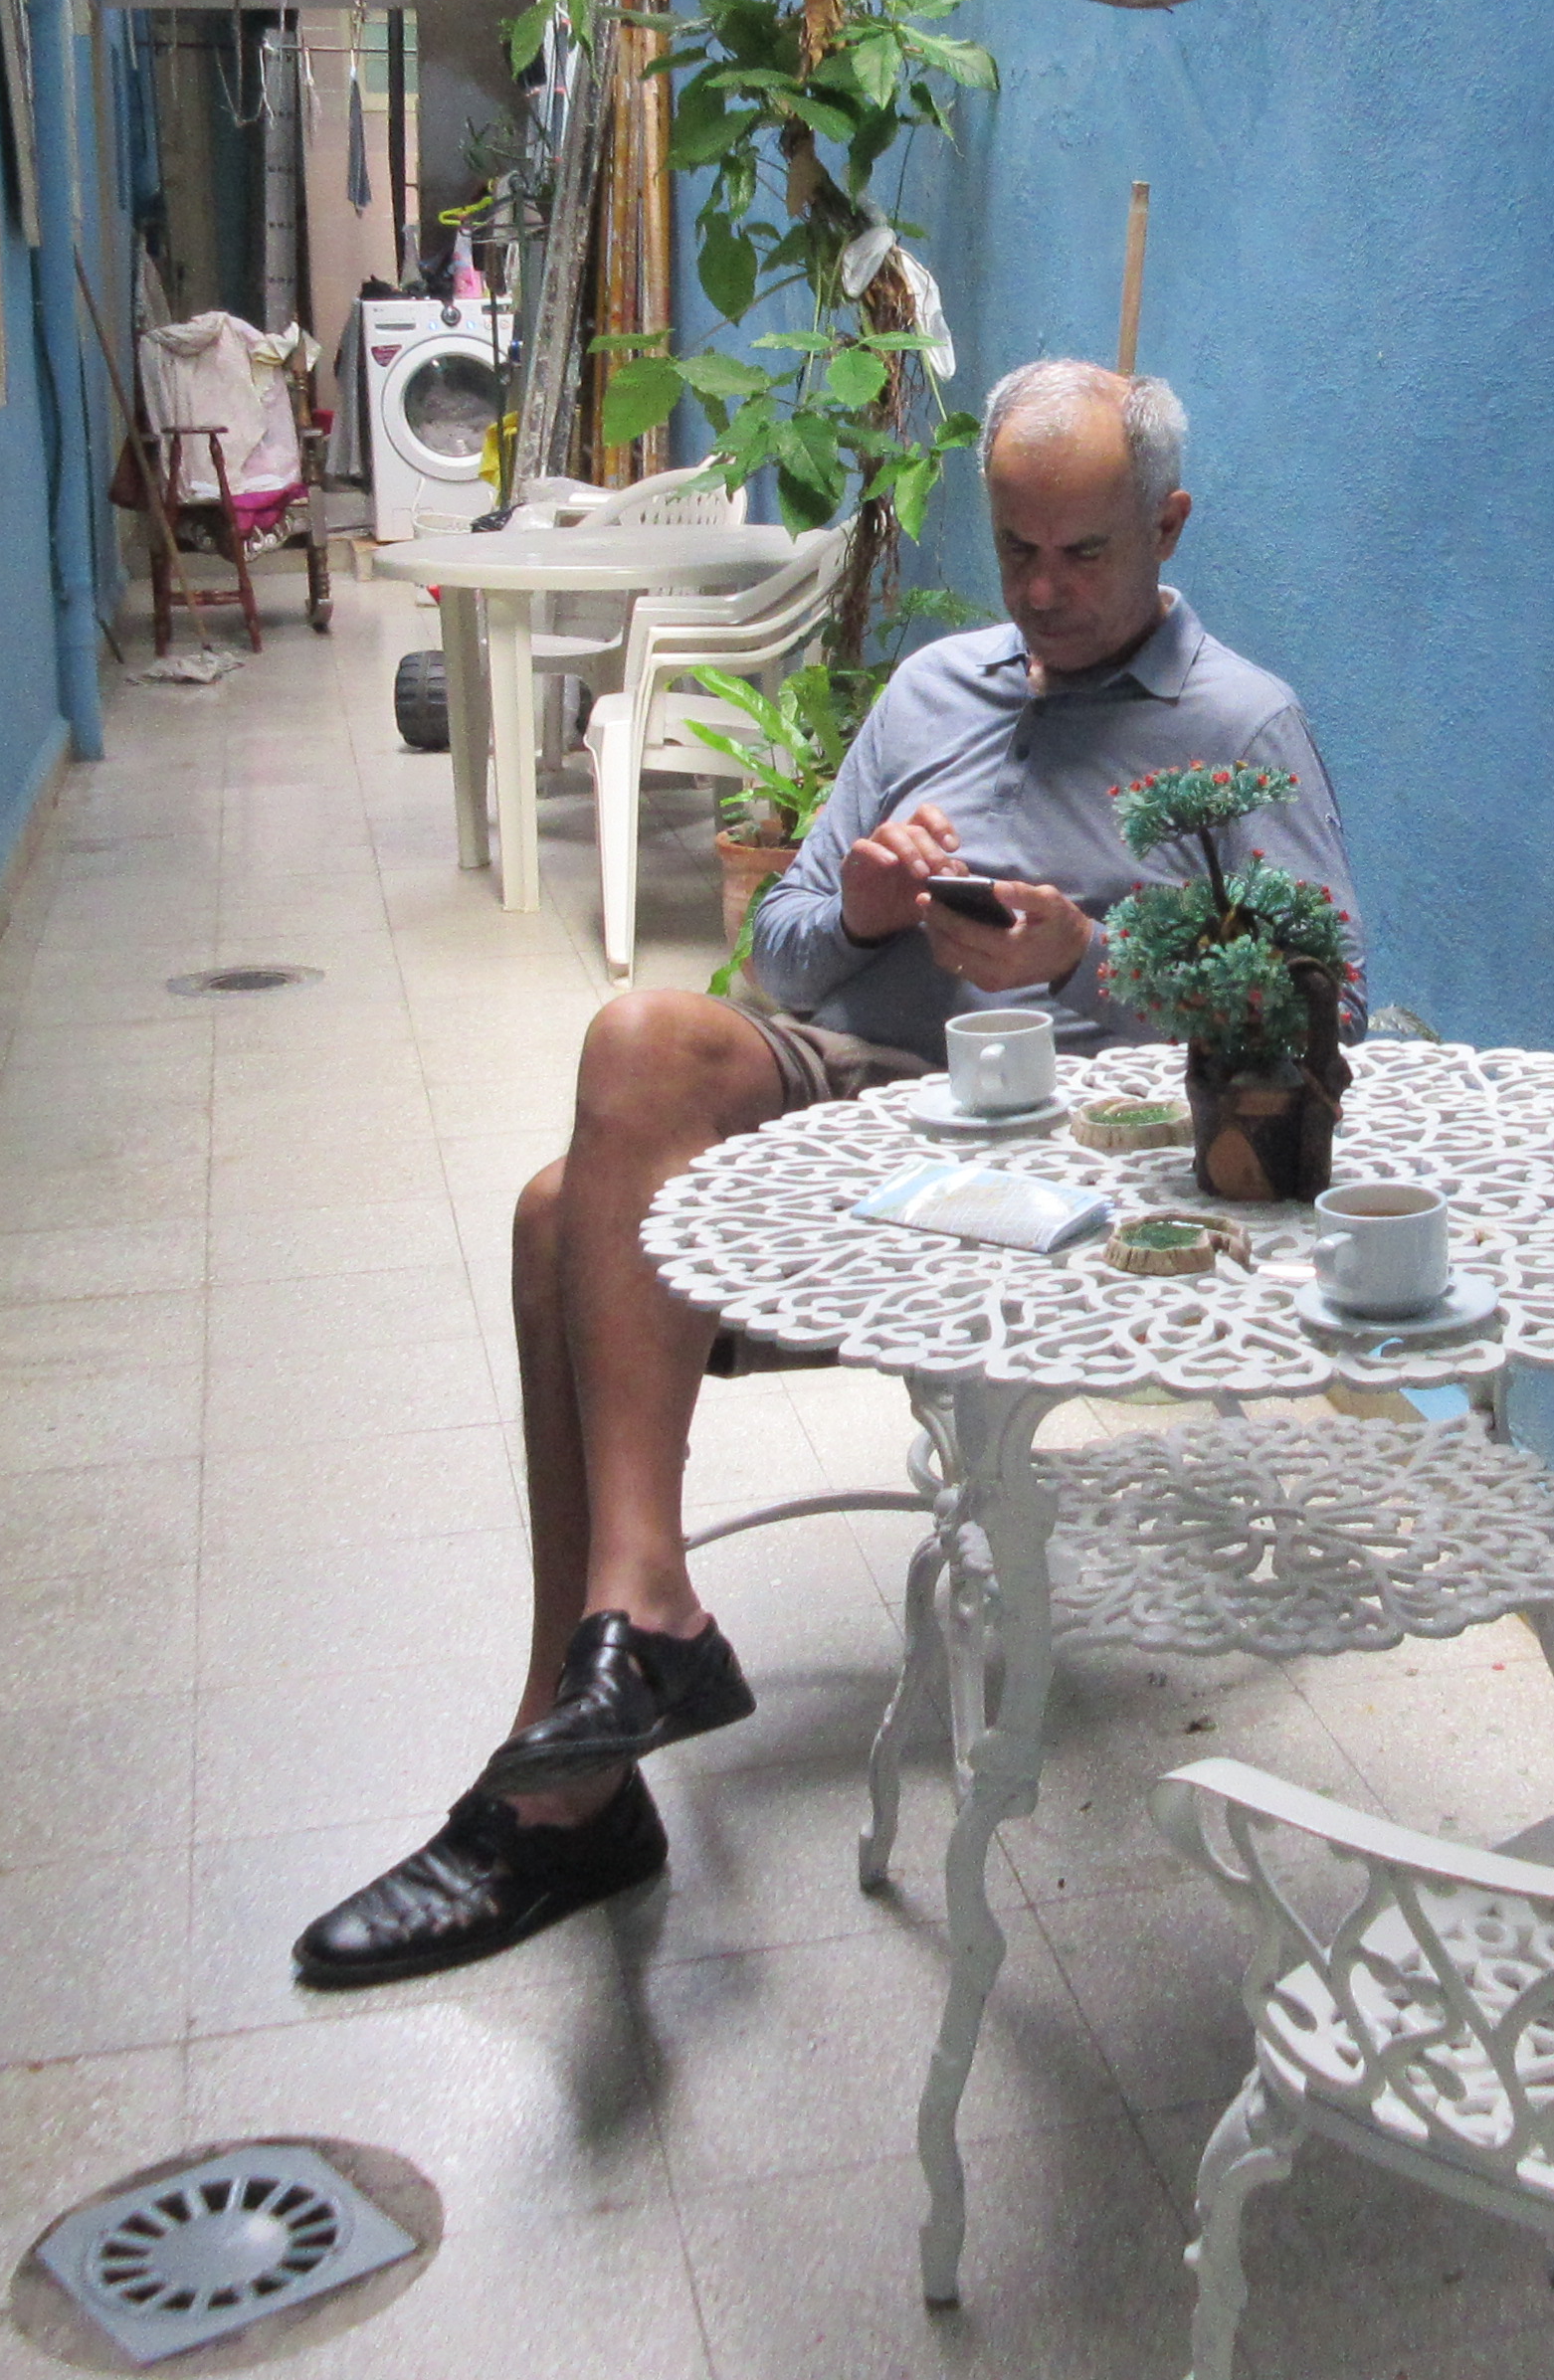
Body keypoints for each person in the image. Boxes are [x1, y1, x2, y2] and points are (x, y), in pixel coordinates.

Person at [291, 359, 1361, 1984]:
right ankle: (640, 1611)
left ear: (1170, 527)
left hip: (1074, 1163)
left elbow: (1326, 1008)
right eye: (1016, 551)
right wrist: (861, 905)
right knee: (645, 1034)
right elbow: (782, 957)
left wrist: (1091, 957)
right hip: (869, 1097)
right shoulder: (932, 691)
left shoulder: (1238, 725)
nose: (1044, 593)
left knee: (556, 1221)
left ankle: (570, 1768)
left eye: (1084, 554)